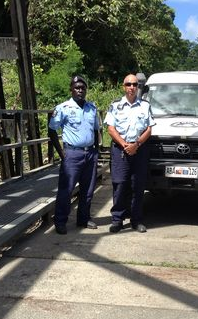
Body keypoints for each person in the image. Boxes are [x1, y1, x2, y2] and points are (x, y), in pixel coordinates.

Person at [49, 75, 101, 235]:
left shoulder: (92, 108)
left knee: (88, 189)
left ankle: (84, 219)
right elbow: (52, 130)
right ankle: (60, 221)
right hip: (72, 153)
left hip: (90, 153)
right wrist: (62, 153)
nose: (80, 90)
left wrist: (96, 150)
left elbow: (95, 130)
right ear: (71, 89)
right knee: (66, 189)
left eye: (83, 88)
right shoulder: (63, 108)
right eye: (77, 88)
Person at [104, 74, 155, 233]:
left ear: (138, 87)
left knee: (137, 186)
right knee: (119, 184)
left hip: (139, 150)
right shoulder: (115, 105)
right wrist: (124, 144)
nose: (132, 87)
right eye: (128, 84)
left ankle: (136, 220)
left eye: (134, 84)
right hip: (121, 150)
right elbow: (110, 128)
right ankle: (117, 220)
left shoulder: (145, 106)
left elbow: (149, 129)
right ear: (123, 86)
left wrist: (136, 144)